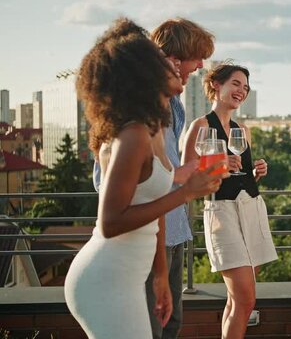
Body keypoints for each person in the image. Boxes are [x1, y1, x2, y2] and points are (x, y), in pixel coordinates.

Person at [64, 18, 227, 338]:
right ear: (145, 74)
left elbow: (156, 201)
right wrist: (186, 192)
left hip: (133, 270)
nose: (177, 65)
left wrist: (161, 276)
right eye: (165, 61)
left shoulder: (153, 126)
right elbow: (110, 222)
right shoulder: (133, 134)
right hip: (109, 277)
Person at [182, 62, 278, 339]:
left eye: (245, 88)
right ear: (216, 84)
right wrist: (221, 164)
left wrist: (257, 171)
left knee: (236, 301)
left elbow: (240, 176)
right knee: (246, 300)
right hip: (221, 214)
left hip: (252, 209)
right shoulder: (200, 127)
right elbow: (188, 178)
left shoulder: (242, 130)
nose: (241, 91)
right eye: (236, 84)